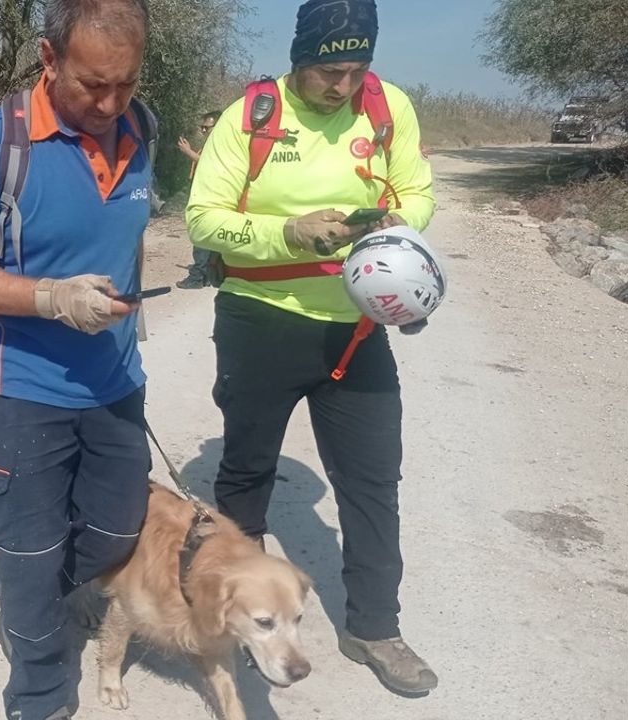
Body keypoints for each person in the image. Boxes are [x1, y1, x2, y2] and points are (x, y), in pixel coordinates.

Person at [185, 0, 439, 696]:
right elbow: (203, 219)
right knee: (245, 477)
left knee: (372, 479)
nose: (344, 85)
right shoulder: (252, 116)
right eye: (331, 70)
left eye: (358, 69)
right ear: (301, 60)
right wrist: (288, 234)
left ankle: (374, 627)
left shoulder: (389, 109)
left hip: (356, 328)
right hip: (259, 320)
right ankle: (235, 620)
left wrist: (394, 221)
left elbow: (418, 190)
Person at [0, 1, 155, 717]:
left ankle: (37, 598)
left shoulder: (142, 128)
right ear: (49, 58)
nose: (110, 102)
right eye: (94, 84)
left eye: (125, 83)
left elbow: (127, 233)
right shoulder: (0, 140)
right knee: (30, 553)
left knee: (118, 531)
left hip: (115, 382)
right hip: (22, 386)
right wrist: (52, 298)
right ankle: (37, 687)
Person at [174, 110, 220, 289]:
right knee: (209, 238)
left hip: (209, 197)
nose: (203, 131)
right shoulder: (213, 143)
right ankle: (210, 274)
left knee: (201, 237)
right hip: (205, 194)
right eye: (202, 127)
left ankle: (197, 277)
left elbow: (208, 164)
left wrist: (188, 151)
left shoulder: (219, 144)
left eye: (207, 127)